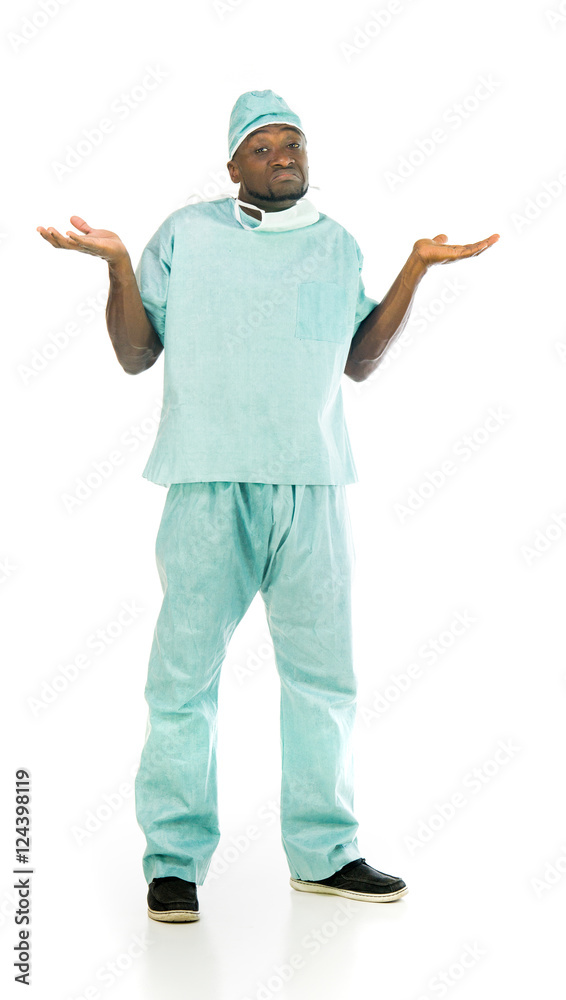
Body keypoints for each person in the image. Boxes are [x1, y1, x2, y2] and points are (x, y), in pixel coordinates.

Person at [37, 89, 499, 924]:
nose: (283, 153)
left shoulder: (335, 244)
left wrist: (414, 269)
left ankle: (326, 853)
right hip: (208, 484)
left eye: (294, 142)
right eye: (262, 144)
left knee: (325, 680)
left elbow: (358, 360)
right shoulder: (187, 235)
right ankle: (174, 862)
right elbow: (137, 354)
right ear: (232, 166)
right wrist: (116, 266)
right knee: (183, 683)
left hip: (312, 487)